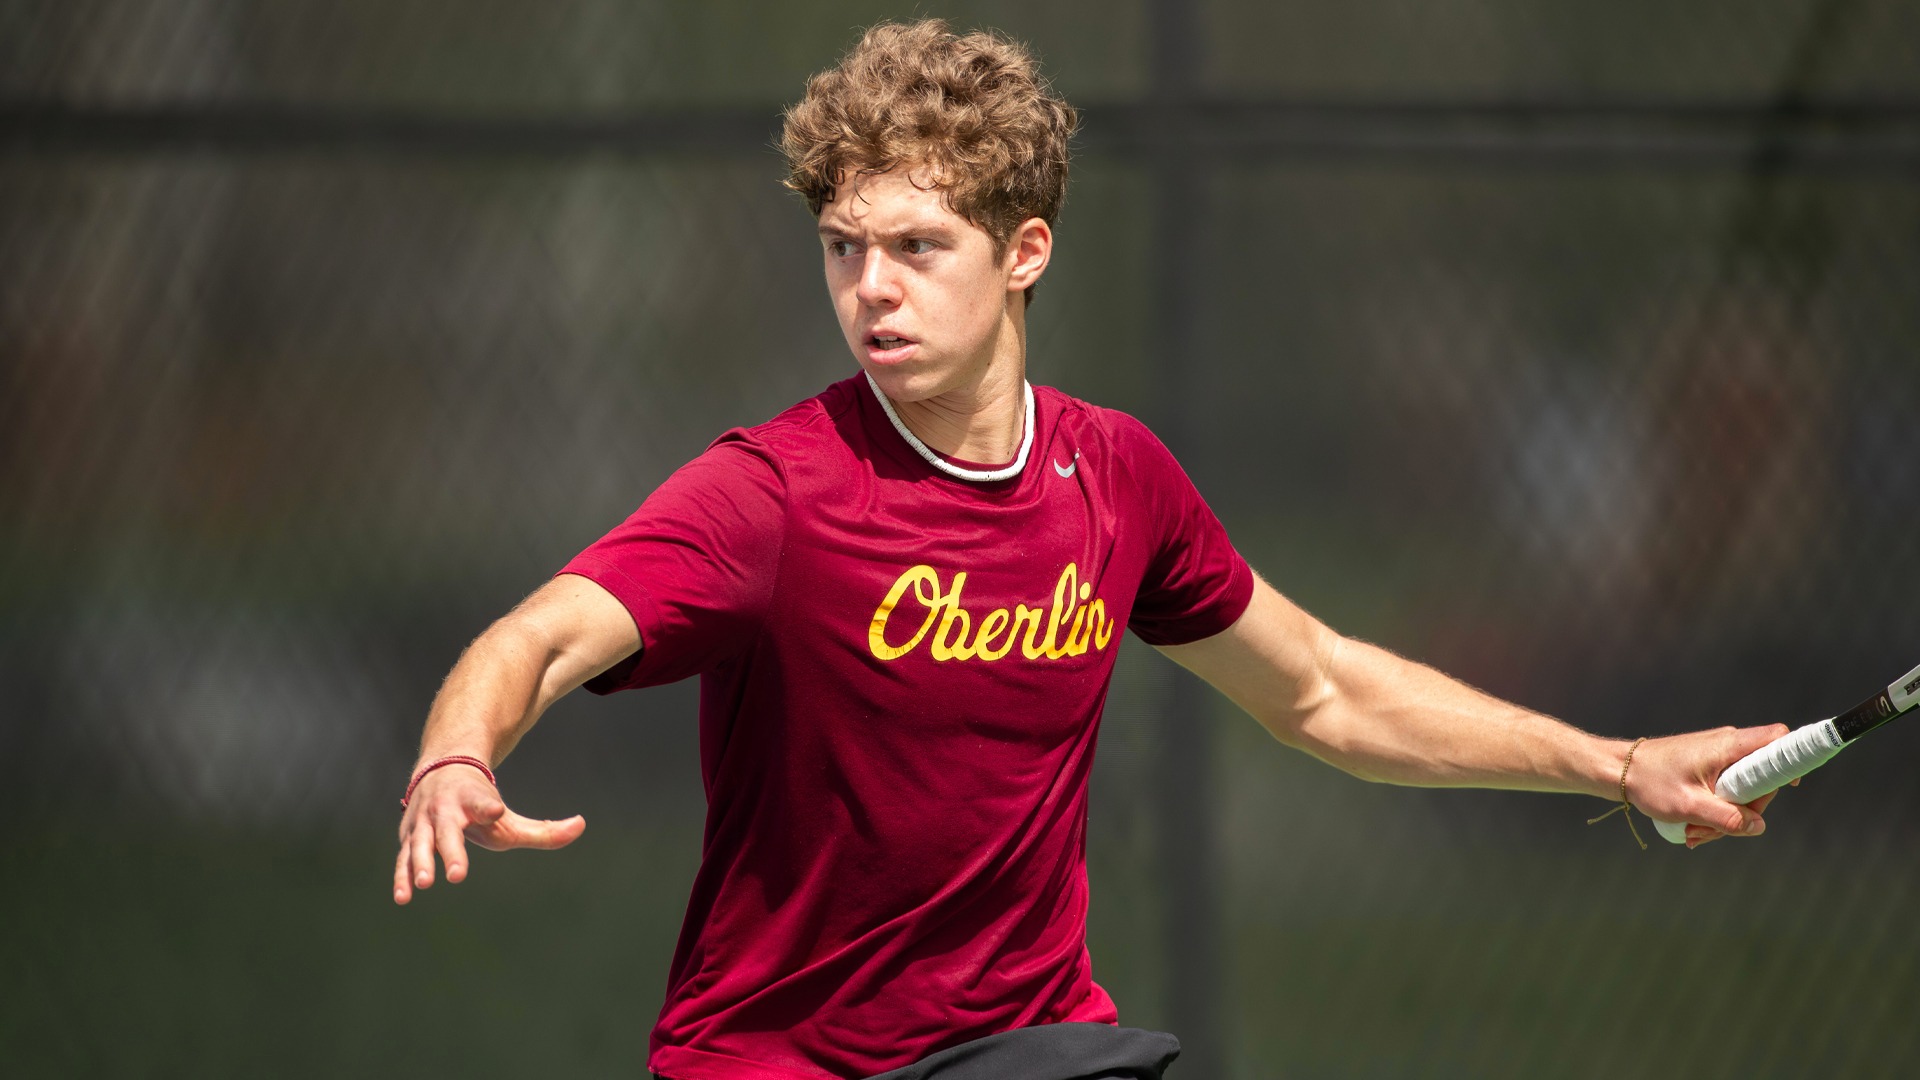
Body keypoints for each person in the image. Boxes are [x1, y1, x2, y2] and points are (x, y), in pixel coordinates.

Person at [391, 19, 1788, 1080]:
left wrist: (1617, 765)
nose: (869, 287)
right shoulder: (774, 494)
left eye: (917, 245)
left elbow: (1321, 687)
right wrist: (463, 748)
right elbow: (541, 635)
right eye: (840, 246)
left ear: (1026, 252)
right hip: (777, 1057)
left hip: (1023, 1048)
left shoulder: (1114, 480)